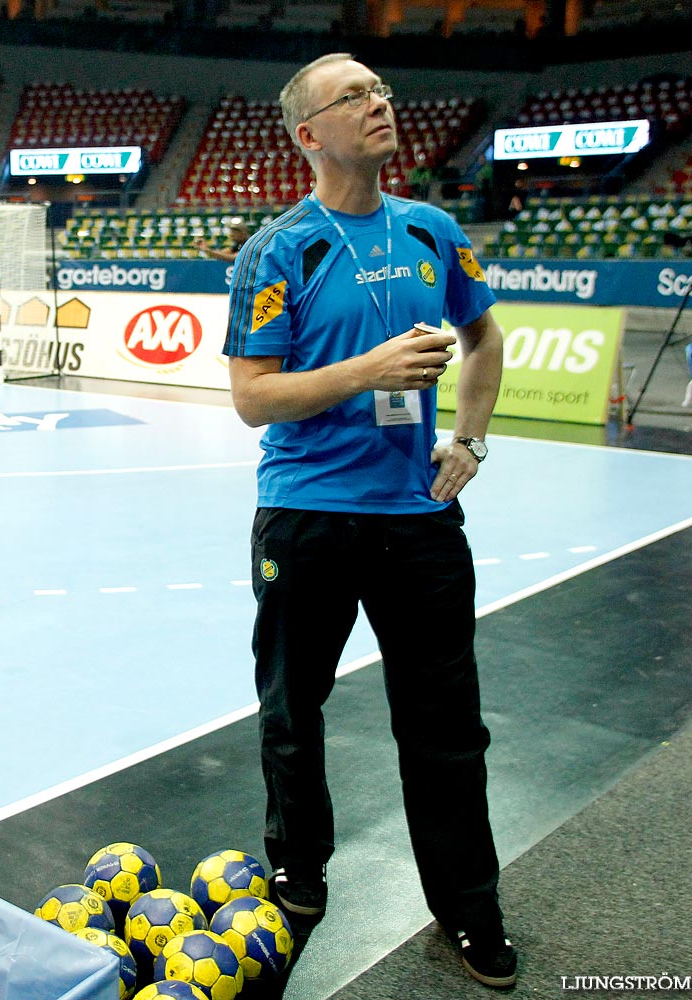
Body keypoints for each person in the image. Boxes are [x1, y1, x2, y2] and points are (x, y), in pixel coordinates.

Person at [222, 53, 514, 989]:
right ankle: (296, 868)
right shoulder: (280, 251)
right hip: (307, 518)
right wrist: (367, 373)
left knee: (446, 725)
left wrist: (468, 440)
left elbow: (484, 335)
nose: (378, 103)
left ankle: (469, 909)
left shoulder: (431, 230)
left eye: (381, 89)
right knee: (292, 710)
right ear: (308, 135)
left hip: (417, 521)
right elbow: (253, 398)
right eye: (352, 96)